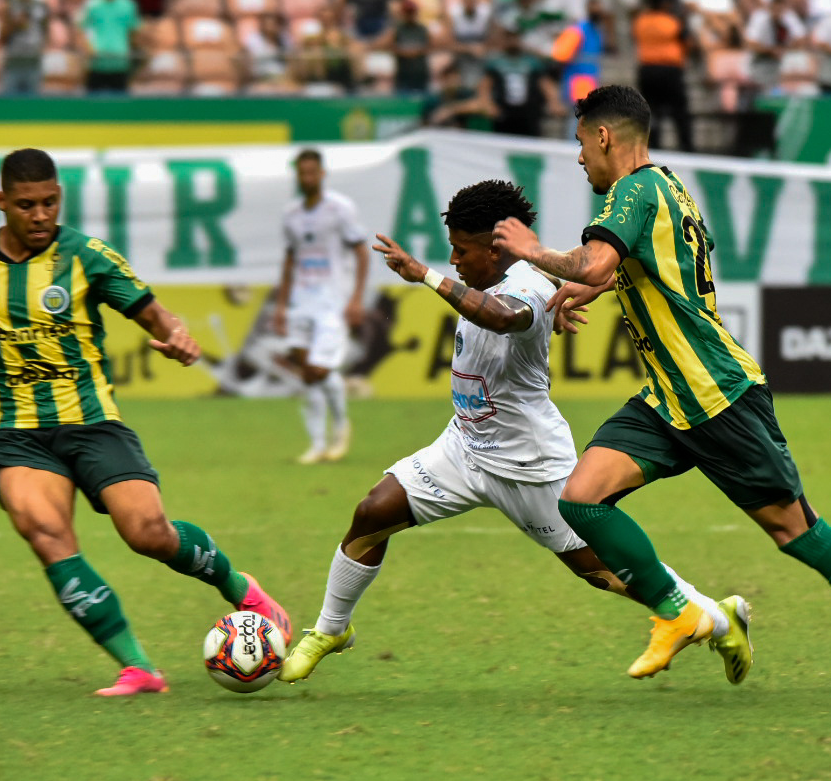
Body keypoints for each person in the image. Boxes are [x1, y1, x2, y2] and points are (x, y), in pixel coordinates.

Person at [490, 85, 831, 711]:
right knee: (581, 499)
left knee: (795, 531)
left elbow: (592, 263)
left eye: (580, 142)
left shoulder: (634, 191)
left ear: (604, 136)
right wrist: (597, 285)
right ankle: (677, 612)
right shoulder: (667, 188)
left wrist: (532, 252)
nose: (580, 158)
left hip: (718, 396)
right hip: (668, 399)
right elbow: (634, 266)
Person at [0, 147, 291, 698]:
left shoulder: (86, 256)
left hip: (93, 421)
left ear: (60, 197)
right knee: (47, 534)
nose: (40, 215)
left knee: (147, 533)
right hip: (19, 435)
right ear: (1, 201)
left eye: (49, 203)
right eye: (26, 205)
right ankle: (138, 668)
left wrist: (176, 336)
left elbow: (155, 314)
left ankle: (243, 590)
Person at [278, 181, 737, 684]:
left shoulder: (527, 286)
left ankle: (715, 617)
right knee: (373, 512)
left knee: (605, 573)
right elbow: (546, 285)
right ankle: (331, 630)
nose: (454, 260)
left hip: (529, 465)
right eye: (450, 250)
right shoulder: (523, 277)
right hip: (464, 447)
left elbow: (503, 317)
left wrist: (423, 274)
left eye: (461, 250)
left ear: (495, 249)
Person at [272, 148, 368, 465]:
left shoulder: (340, 209)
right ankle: (316, 444)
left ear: (322, 174)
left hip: (332, 301)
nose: (307, 178)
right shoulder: (291, 214)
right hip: (302, 299)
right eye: (302, 172)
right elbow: (290, 259)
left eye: (312, 172)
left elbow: (361, 252)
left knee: (320, 369)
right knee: (306, 373)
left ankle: (340, 427)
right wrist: (281, 306)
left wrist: (356, 298)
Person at [633, 0, 693, 150]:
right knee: (679, 109)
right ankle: (686, 145)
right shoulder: (671, 21)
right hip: (669, 70)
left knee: (651, 109)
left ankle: (653, 145)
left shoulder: (641, 21)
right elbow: (687, 41)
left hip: (647, 69)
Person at [480, 27, 558, 137]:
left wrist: (553, 102)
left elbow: (545, 83)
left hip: (529, 112)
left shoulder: (532, 62)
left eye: (515, 38)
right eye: (509, 38)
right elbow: (485, 85)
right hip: (503, 112)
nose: (512, 42)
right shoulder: (496, 62)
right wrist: (487, 103)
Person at [78, 0, 140, 92]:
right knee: (93, 101)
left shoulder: (128, 4)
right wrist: (88, 48)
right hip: (97, 63)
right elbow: (82, 29)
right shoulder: (92, 4)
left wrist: (130, 51)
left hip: (120, 62)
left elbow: (133, 32)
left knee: (119, 102)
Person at [744, 0, 805, 91]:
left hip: (784, 57)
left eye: (780, 5)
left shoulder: (789, 16)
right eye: (775, 5)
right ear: (769, 5)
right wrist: (771, 50)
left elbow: (801, 39)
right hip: (762, 59)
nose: (777, 9)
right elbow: (751, 43)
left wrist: (785, 49)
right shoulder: (759, 17)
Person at [550, 0, 607, 105]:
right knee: (577, 112)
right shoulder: (578, 30)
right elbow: (560, 55)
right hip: (577, 83)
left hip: (591, 81)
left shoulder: (597, 31)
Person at [0, 0, 50, 94]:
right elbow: (2, 35)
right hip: (14, 59)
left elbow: (46, 30)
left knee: (33, 100)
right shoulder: (10, 6)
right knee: (9, 99)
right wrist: (15, 23)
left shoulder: (41, 6)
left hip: (33, 59)